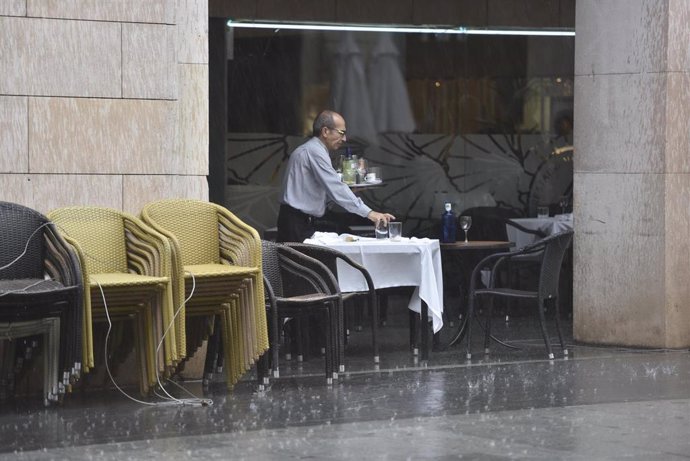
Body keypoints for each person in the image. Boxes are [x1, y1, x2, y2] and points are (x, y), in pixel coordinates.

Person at [277, 110, 395, 242]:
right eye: (341, 133)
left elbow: (318, 193)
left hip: (303, 221)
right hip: (296, 223)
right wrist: (369, 213)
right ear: (325, 131)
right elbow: (335, 187)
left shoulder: (315, 150)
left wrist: (350, 190)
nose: (344, 139)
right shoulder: (314, 151)